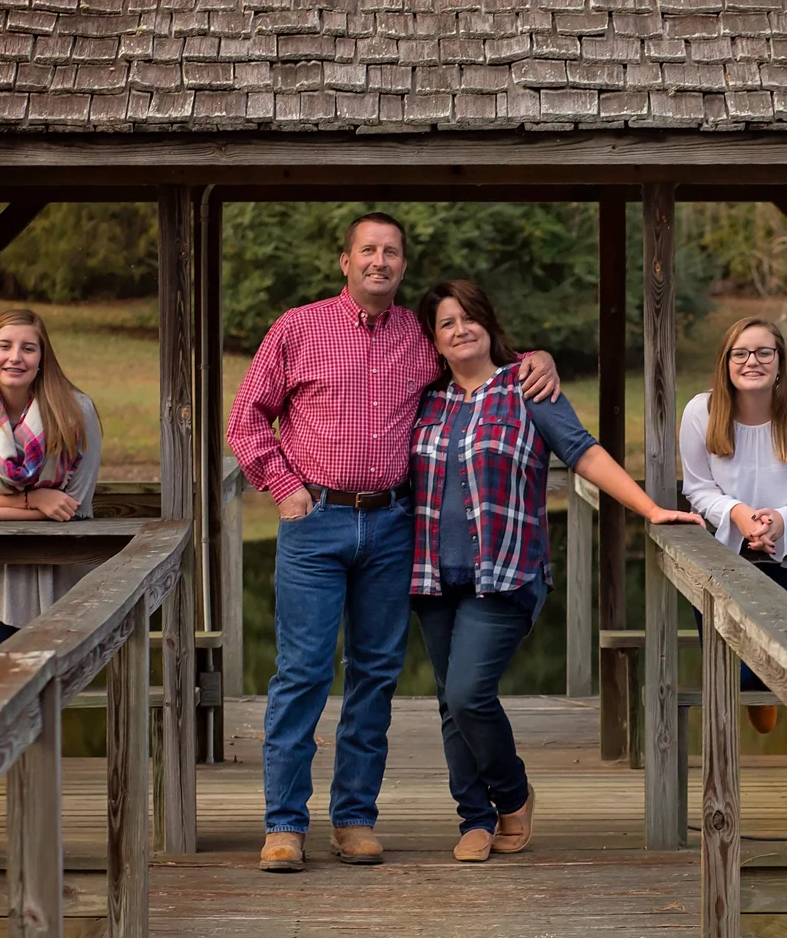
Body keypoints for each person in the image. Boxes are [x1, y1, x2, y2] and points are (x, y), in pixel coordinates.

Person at [226, 213, 561, 873]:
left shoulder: (419, 334)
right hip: (315, 520)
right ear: (345, 261)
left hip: (391, 526)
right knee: (302, 673)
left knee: (375, 674)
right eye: (368, 250)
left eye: (391, 252)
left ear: (403, 265)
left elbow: (480, 356)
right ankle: (284, 824)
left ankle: (354, 818)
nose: (379, 261)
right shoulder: (298, 328)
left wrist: (537, 359)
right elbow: (246, 417)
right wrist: (284, 487)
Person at [410, 281, 705, 862]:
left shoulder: (527, 388)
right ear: (434, 340)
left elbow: (582, 452)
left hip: (507, 571)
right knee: (450, 701)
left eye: (469, 317)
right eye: (446, 323)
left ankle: (512, 796)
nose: (460, 330)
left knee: (469, 694)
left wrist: (650, 509)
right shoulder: (424, 400)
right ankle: (474, 819)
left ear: (489, 324)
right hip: (432, 575)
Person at [678, 316, 787, 733]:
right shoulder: (701, 413)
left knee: (779, 664)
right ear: (726, 363)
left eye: (764, 352)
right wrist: (738, 514)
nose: (753, 361)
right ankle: (747, 701)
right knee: (731, 669)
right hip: (721, 560)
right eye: (741, 353)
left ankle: (764, 690)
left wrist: (783, 520)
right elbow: (698, 489)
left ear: (780, 361)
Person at [0, 309, 102, 652]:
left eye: (28, 348)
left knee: (58, 682)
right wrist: (36, 500)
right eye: (4, 346)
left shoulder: (77, 412)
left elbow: (75, 507)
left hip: (64, 577)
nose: (15, 357)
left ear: (42, 357)